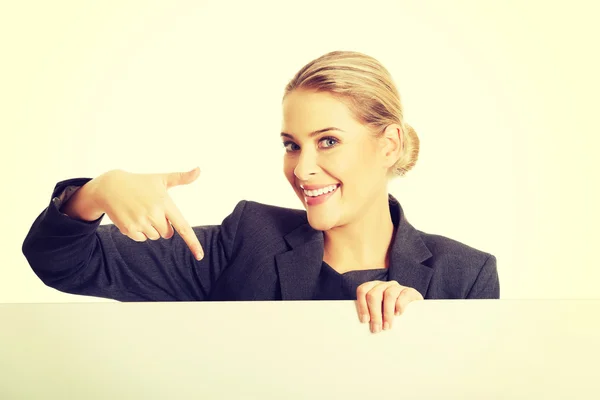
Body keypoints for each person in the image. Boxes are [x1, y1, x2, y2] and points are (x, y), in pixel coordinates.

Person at [22, 50, 499, 334]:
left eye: (328, 141)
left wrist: (434, 342)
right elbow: (65, 264)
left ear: (388, 144)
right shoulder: (247, 241)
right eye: (292, 145)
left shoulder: (465, 275)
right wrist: (96, 193)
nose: (303, 168)